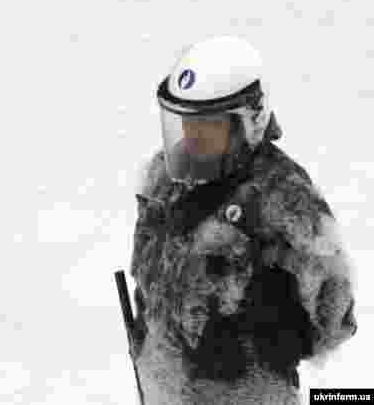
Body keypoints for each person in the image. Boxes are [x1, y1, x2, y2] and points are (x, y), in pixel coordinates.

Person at [129, 35, 357, 404]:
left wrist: (282, 327)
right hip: (165, 390)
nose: (191, 136)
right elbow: (147, 268)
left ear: (247, 122)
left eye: (208, 126)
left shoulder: (283, 194)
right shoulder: (165, 179)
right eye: (185, 122)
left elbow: (334, 309)